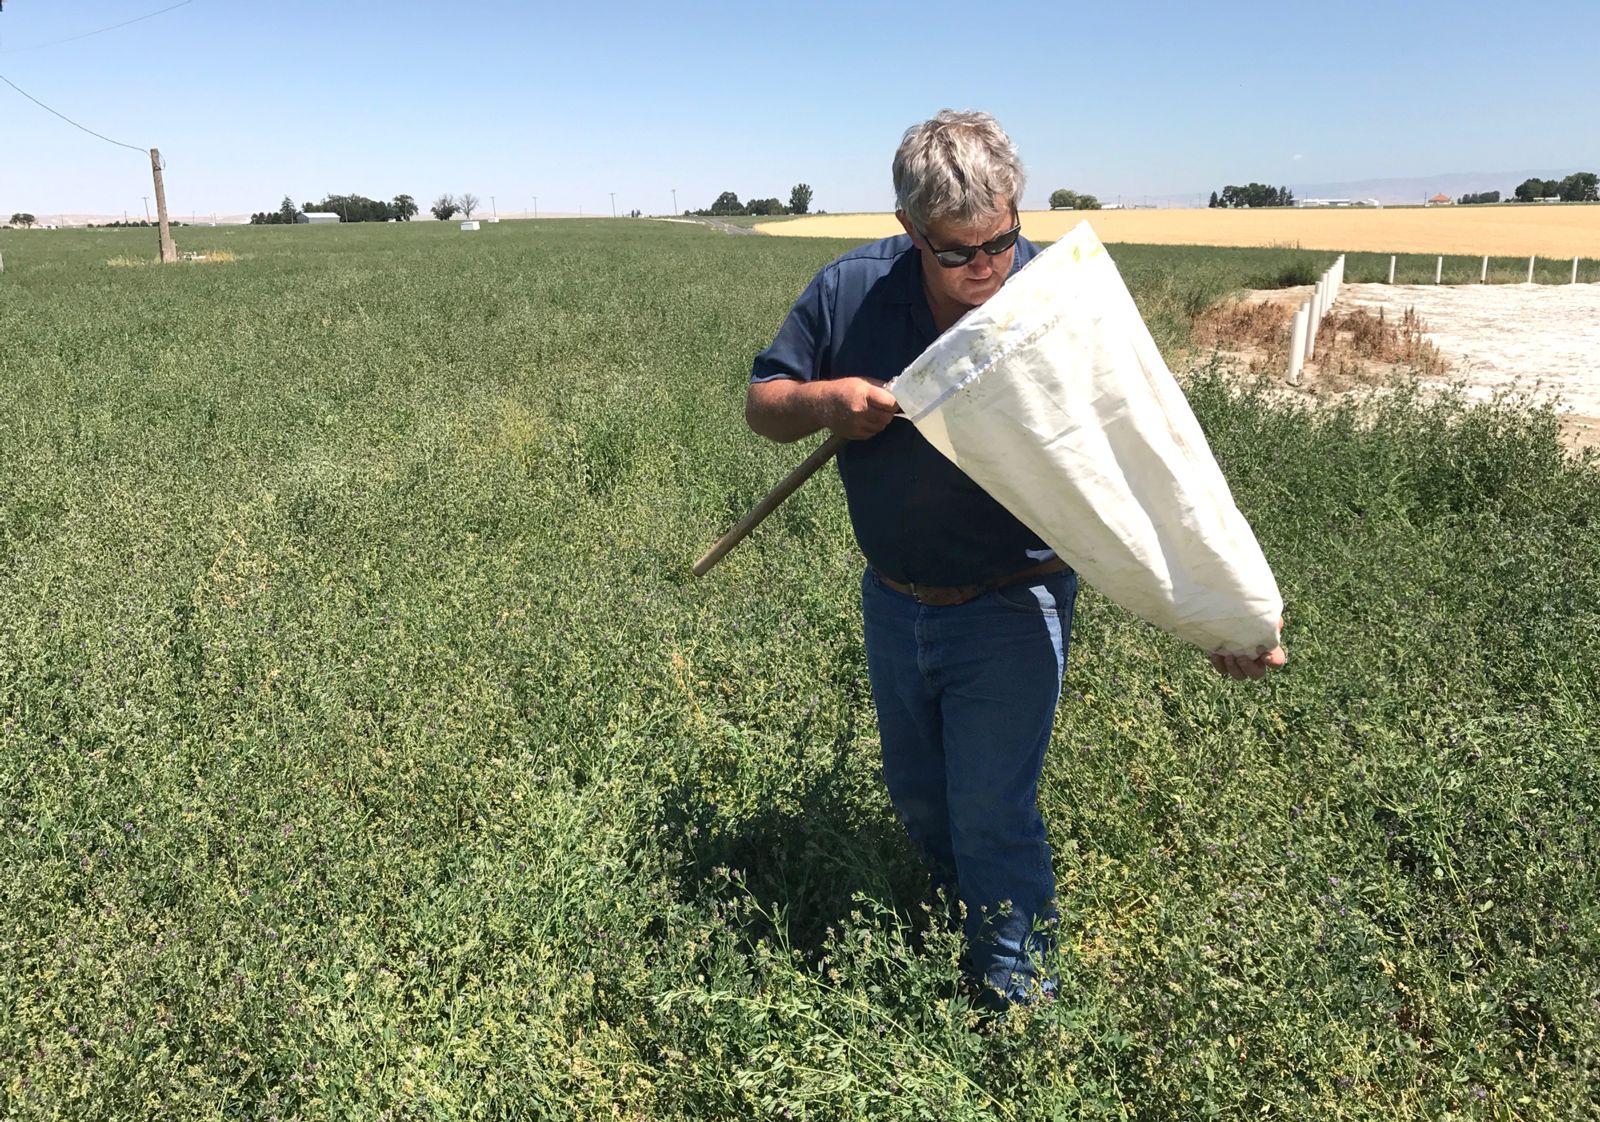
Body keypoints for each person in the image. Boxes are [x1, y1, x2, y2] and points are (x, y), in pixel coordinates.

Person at [745, 109, 1283, 1009]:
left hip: (1014, 599)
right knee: (920, 797)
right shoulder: (851, 292)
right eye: (956, 253)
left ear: (1017, 210)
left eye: (1001, 240)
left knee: (992, 810)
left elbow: (1146, 462)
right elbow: (763, 404)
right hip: (895, 599)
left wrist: (1222, 609)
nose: (986, 269)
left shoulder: (1054, 305)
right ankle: (947, 917)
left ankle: (1014, 998)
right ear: (911, 231)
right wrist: (828, 400)